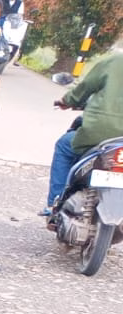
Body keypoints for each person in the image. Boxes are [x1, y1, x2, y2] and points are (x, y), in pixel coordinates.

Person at [45, 52, 123, 216]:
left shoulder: (115, 60)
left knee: (64, 146)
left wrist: (67, 101)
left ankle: (55, 204)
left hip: (101, 133)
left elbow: (86, 86)